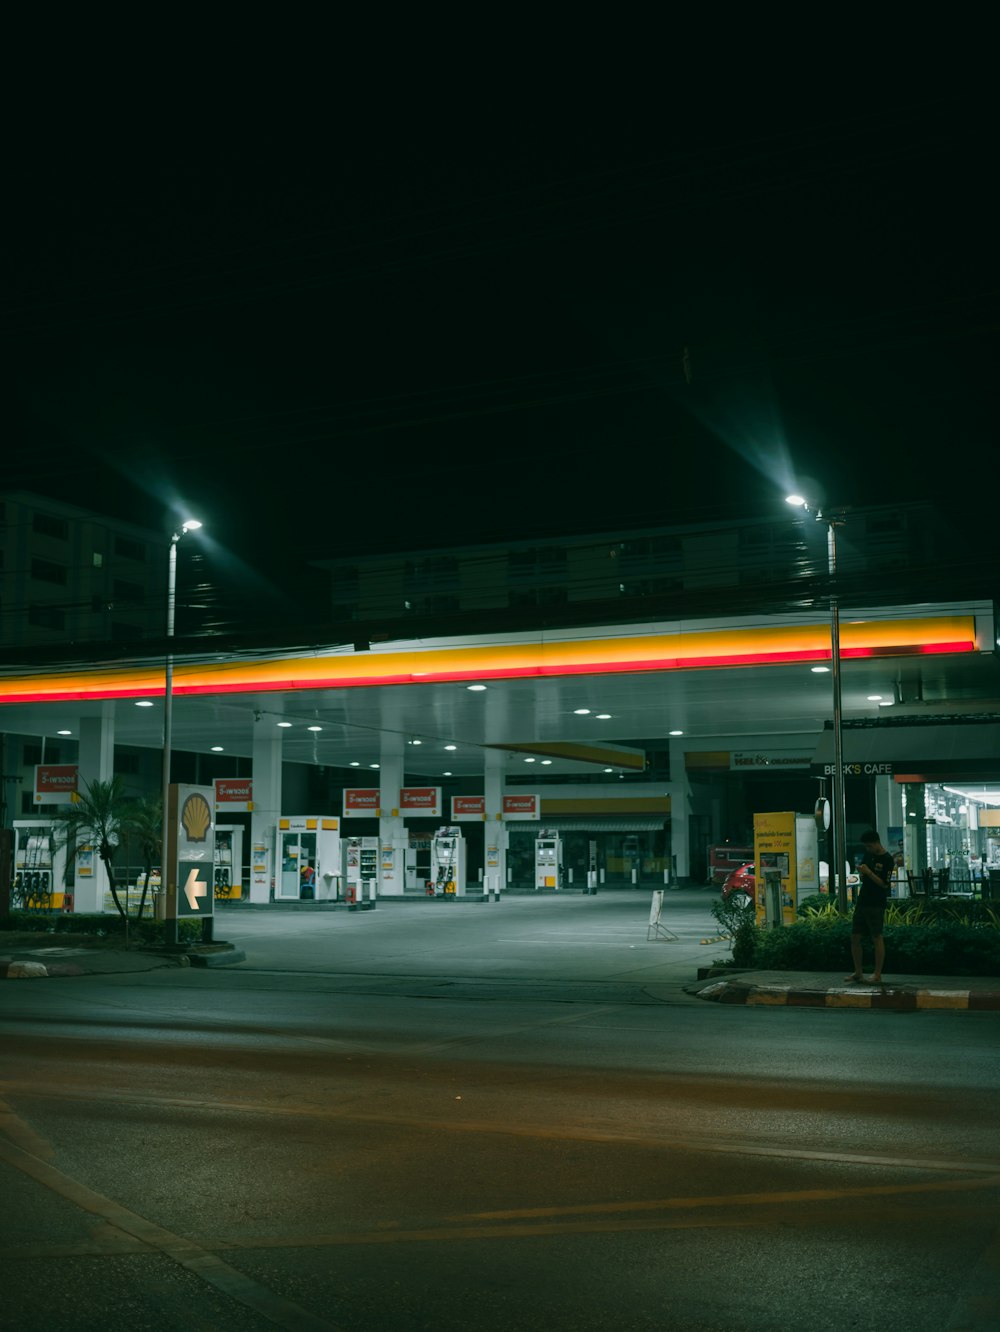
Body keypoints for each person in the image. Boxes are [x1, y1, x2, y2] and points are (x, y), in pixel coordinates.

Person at [845, 830, 894, 984]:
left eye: (869, 846)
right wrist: (862, 874)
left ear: (875, 843)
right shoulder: (868, 855)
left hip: (876, 903)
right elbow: (865, 874)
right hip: (862, 900)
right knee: (855, 936)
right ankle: (858, 972)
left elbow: (884, 884)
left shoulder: (887, 859)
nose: (867, 849)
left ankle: (877, 974)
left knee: (876, 936)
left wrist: (869, 873)